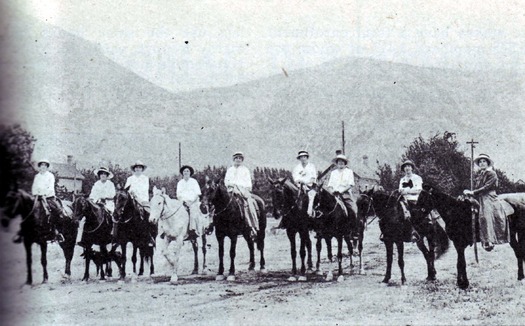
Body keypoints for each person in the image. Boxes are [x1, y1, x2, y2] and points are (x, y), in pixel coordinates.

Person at [463, 154, 509, 252]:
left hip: (489, 196)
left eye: (484, 161)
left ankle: (489, 240)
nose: (482, 163)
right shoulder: (480, 174)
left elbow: (486, 187)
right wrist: (469, 192)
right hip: (481, 197)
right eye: (480, 162)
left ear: (488, 163)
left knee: (486, 215)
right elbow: (477, 187)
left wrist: (473, 192)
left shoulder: (492, 173)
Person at [14, 159, 64, 243]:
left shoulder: (50, 176)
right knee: (27, 209)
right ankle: (23, 231)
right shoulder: (37, 176)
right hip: (37, 197)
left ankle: (57, 232)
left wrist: (44, 194)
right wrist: (37, 194)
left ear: (47, 167)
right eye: (41, 165)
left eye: (45, 165)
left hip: (49, 197)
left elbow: (50, 187)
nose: (43, 167)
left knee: (58, 211)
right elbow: (34, 188)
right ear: (39, 167)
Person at [77, 167, 116, 247]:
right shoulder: (97, 184)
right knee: (86, 217)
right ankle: (82, 238)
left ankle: (112, 234)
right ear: (99, 175)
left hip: (107, 203)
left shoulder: (110, 184)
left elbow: (113, 195)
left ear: (107, 175)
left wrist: (104, 198)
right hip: (96, 203)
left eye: (105, 174)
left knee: (113, 216)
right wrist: (93, 200)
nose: (103, 175)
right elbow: (92, 195)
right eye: (101, 174)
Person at [224, 152, 258, 237]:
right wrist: (230, 185)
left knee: (249, 204)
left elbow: (248, 182)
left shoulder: (245, 170)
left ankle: (252, 226)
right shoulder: (230, 170)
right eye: (236, 158)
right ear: (234, 159)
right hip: (231, 190)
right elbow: (226, 181)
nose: (238, 160)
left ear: (242, 160)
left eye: (240, 158)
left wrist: (245, 189)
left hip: (243, 190)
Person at [398, 160, 423, 242]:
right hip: (404, 200)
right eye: (405, 167)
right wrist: (402, 192)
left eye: (409, 166)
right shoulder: (402, 179)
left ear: (412, 168)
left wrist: (407, 191)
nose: (407, 168)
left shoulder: (417, 178)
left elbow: (419, 190)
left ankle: (413, 232)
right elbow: (400, 190)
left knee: (410, 212)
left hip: (415, 199)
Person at [176, 165, 202, 239]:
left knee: (193, 213)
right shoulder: (180, 183)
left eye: (187, 171)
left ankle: (193, 230)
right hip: (183, 203)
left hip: (193, 202)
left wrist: (191, 202)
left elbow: (197, 194)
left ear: (190, 173)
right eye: (184, 171)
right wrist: (184, 202)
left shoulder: (194, 181)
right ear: (182, 173)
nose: (186, 172)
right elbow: (178, 195)